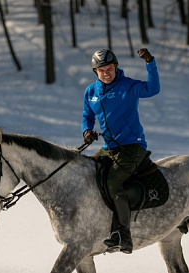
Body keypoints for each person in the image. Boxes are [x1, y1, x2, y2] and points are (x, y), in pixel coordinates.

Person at [81, 48, 160, 254]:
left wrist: (149, 62)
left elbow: (153, 89)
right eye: (101, 70)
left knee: (113, 182)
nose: (106, 73)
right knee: (87, 173)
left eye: (109, 68)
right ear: (95, 72)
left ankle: (123, 235)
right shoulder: (91, 92)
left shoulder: (129, 86)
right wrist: (86, 130)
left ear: (116, 67)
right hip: (109, 148)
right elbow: (87, 115)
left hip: (132, 147)